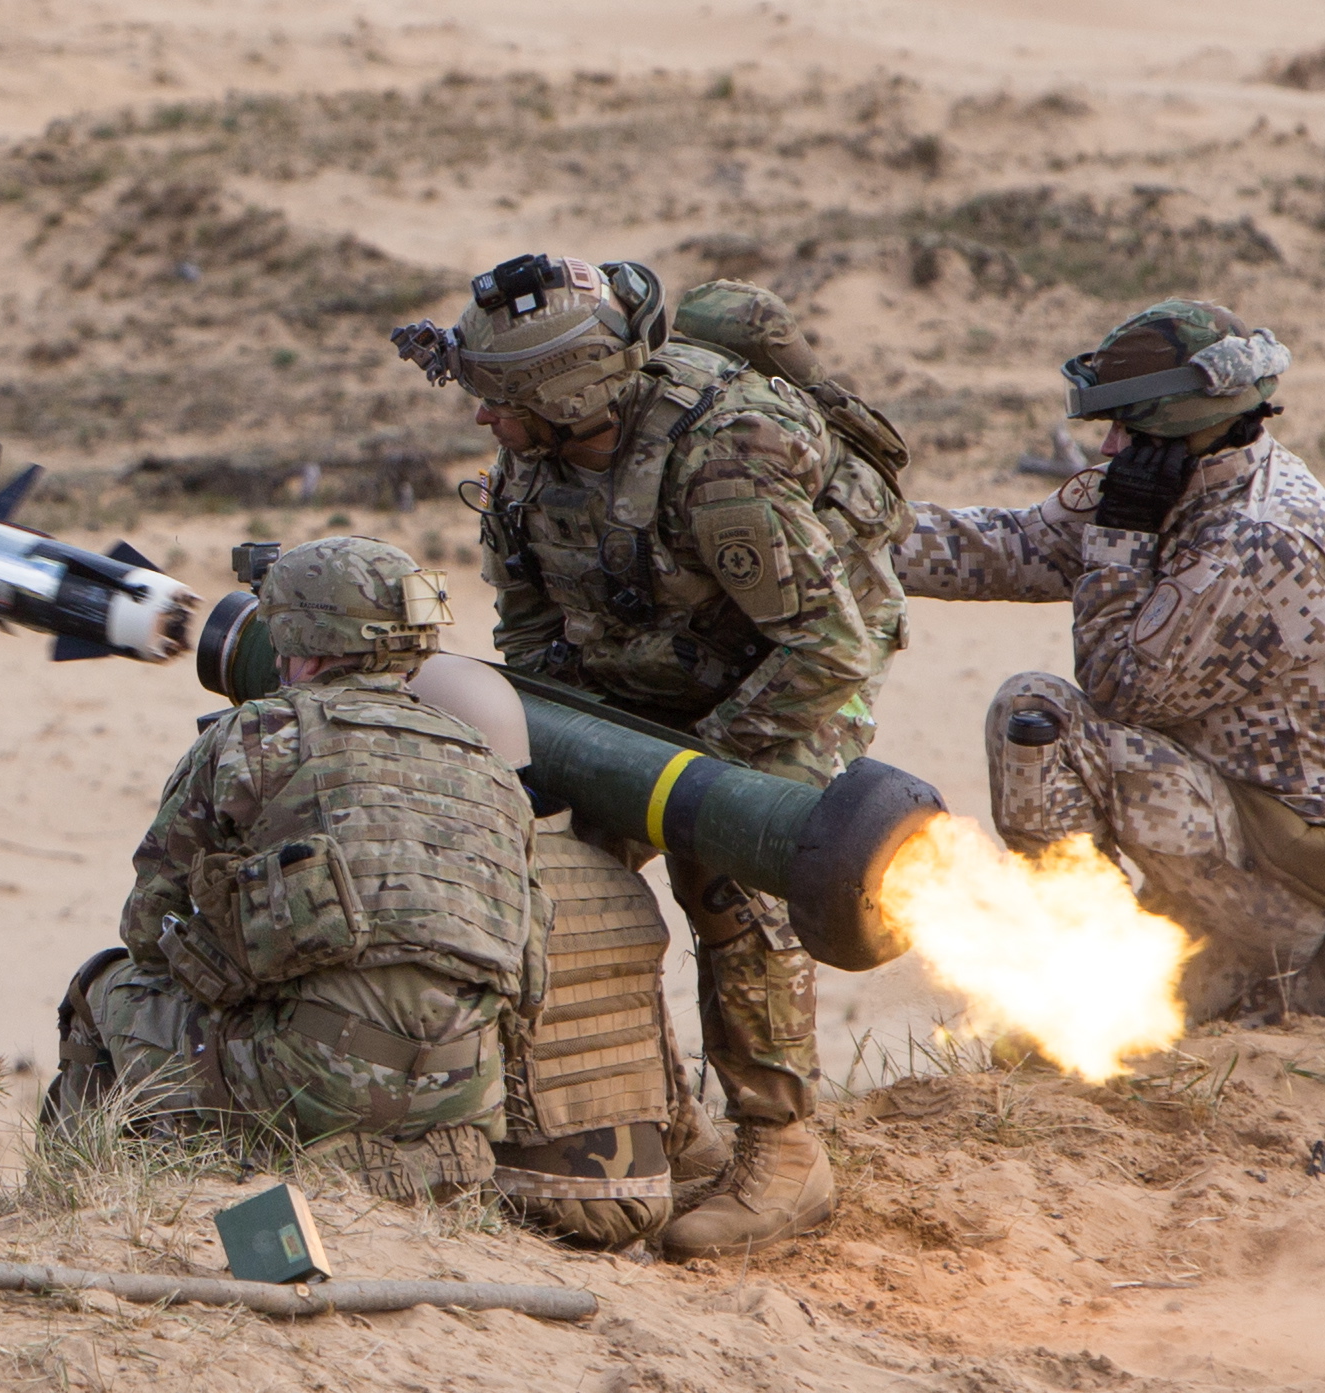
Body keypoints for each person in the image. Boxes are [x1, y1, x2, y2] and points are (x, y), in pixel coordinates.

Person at [391, 257, 913, 1257]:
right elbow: (531, 630)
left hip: (789, 672)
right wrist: (560, 758)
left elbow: (828, 645)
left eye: (500, 398)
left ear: (565, 395)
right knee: (558, 863)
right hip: (648, 664)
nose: (482, 418)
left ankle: (783, 1148)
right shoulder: (531, 463)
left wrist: (697, 775)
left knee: (729, 862)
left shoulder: (722, 462)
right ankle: (666, 1117)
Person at [43, 536, 543, 1201]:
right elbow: (530, 972)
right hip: (464, 1089)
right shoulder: (489, 765)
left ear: (302, 640)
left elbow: (147, 928)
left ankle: (105, 1204)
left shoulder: (253, 737)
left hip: (308, 1077)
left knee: (103, 989)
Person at [894, 299, 1325, 1020]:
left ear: (1184, 422)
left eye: (1125, 426)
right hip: (1229, 822)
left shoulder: (1257, 541)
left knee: (1038, 718)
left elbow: (1119, 687)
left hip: (1285, 864)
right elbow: (1014, 546)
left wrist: (1121, 540)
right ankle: (1183, 972)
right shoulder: (1172, 478)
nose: (1108, 445)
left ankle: (1099, 979)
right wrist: (845, 536)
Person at [408, 653, 731, 1249]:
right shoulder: (614, 876)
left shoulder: (457, 883)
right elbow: (661, 1058)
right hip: (646, 1192)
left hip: (531, 1196)